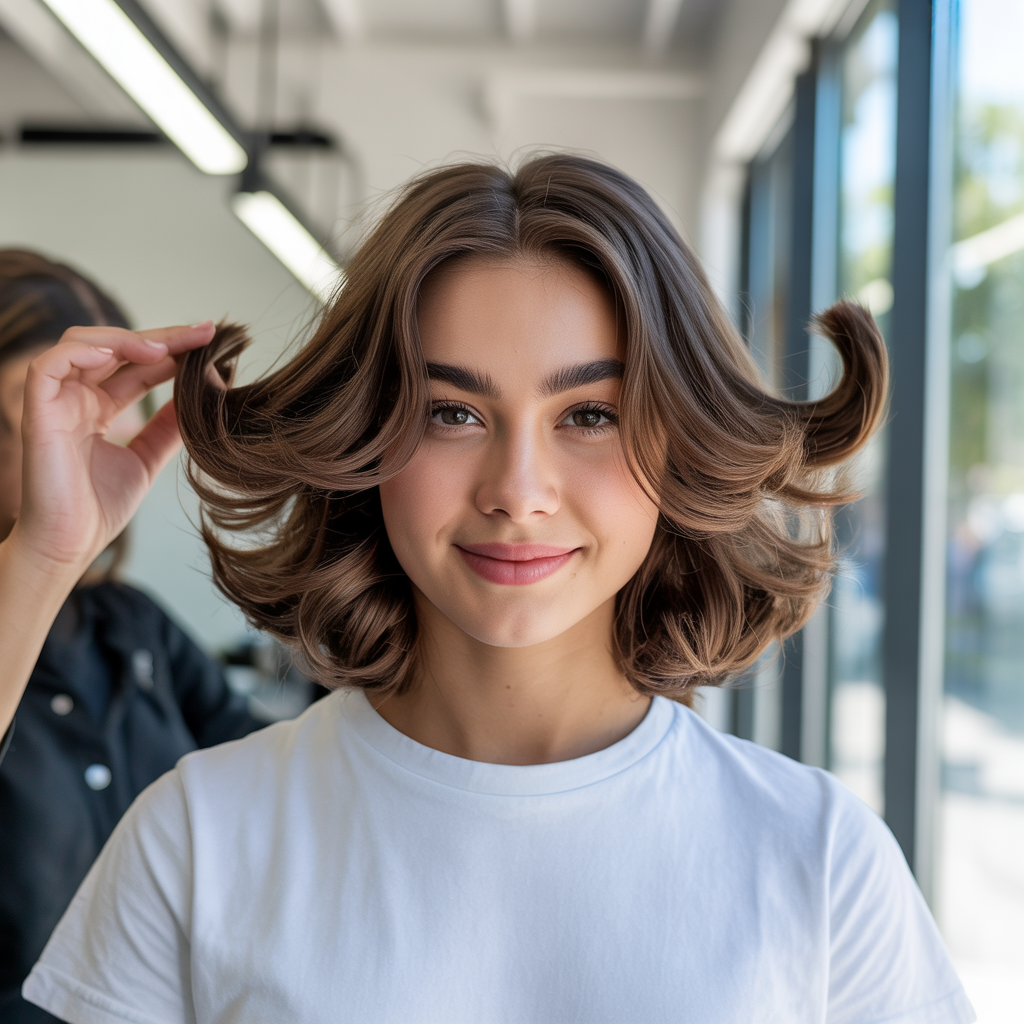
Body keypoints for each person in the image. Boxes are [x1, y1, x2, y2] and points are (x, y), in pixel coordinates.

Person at [11, 156, 973, 1022]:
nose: (518, 491)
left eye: (590, 413)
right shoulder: (198, 837)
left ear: (682, 447)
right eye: (453, 412)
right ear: (367, 441)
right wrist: (43, 556)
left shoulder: (818, 856)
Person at [0, 251, 263, 1024]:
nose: (75, 447)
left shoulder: (131, 626)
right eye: (38, 419)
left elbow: (283, 774)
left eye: (97, 413)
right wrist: (45, 554)